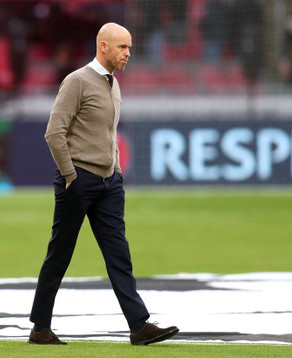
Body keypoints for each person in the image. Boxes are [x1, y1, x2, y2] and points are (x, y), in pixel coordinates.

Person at [28, 22, 179, 346]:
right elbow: (54, 133)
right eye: (123, 47)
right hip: (79, 180)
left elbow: (109, 136)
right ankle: (40, 328)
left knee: (119, 255)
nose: (128, 53)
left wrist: (117, 171)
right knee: (60, 255)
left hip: (110, 183)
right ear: (104, 46)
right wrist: (70, 175)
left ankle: (139, 327)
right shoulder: (77, 81)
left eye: (130, 47)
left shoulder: (114, 84)